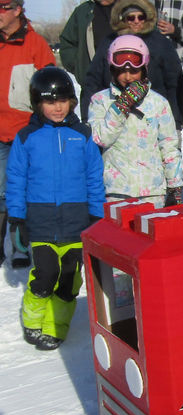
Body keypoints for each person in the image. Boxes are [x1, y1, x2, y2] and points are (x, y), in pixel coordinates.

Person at [5, 67, 105, 350]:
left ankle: (55, 326)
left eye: (62, 100)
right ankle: (33, 319)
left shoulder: (82, 136)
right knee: (45, 275)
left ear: (71, 101)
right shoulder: (27, 138)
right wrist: (17, 216)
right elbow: (15, 179)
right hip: (42, 220)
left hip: (77, 221)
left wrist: (96, 214)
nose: (57, 107)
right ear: (38, 103)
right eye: (50, 102)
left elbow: (94, 178)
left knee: (70, 280)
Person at [88, 35, 183, 207]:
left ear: (145, 69)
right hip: (117, 191)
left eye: (134, 71)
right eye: (122, 71)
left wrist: (174, 185)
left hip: (153, 193)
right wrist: (121, 106)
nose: (128, 77)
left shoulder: (158, 103)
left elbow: (168, 146)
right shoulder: (100, 101)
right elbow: (101, 139)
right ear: (112, 70)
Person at [0, 0, 56, 268]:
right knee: (2, 193)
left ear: (17, 9)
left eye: (2, 7)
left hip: (26, 133)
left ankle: (23, 245)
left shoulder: (36, 45)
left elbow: (50, 88)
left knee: (26, 191)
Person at [80, 0, 183, 130]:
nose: (136, 21)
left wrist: (176, 120)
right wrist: (87, 118)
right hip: (114, 115)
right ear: (123, 19)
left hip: (154, 116)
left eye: (141, 17)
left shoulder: (161, 43)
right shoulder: (109, 42)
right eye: (131, 17)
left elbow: (174, 83)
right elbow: (92, 81)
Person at [59, 0, 118, 92]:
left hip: (129, 85)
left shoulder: (131, 9)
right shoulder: (83, 11)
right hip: (93, 87)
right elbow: (67, 43)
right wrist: (80, 69)